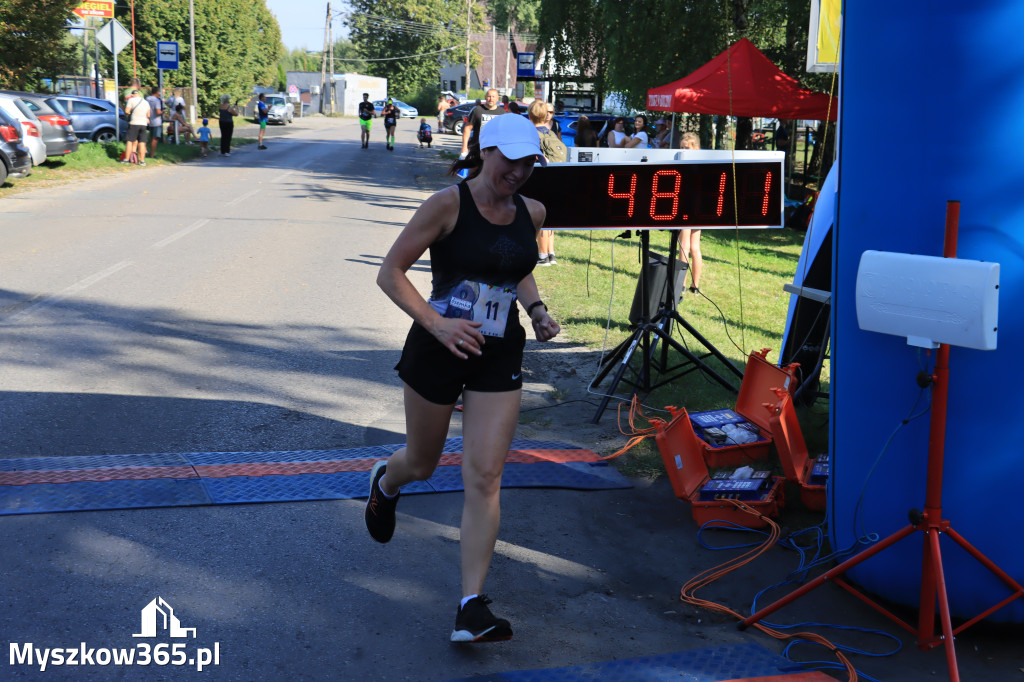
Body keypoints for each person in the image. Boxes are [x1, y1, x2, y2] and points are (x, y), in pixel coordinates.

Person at [368, 113, 560, 644]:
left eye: (529, 164)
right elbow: (390, 272)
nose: (519, 173)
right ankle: (386, 481)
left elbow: (515, 262)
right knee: (423, 463)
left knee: (485, 477)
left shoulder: (533, 211)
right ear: (486, 150)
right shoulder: (447, 204)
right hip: (438, 345)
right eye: (511, 161)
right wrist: (437, 322)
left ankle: (470, 607)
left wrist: (537, 308)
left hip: (498, 352)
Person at [528, 99, 565, 266]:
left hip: (541, 178)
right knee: (549, 217)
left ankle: (542, 255)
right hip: (556, 176)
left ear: (530, 114)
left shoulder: (532, 133)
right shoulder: (549, 132)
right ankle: (550, 253)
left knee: (540, 217)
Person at [677, 132, 704, 294]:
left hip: (690, 205)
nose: (683, 151)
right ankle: (695, 286)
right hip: (699, 206)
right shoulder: (702, 163)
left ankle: (682, 283)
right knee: (694, 246)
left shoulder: (690, 165)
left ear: (697, 148)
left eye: (686, 148)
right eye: (681, 148)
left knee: (686, 246)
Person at [460, 88, 505, 158]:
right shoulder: (477, 110)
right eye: (489, 96)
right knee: (473, 168)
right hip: (477, 148)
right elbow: (468, 128)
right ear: (485, 97)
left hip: (495, 150)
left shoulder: (502, 112)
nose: (491, 99)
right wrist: (464, 146)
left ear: (497, 98)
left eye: (493, 97)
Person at [123, 89, 150, 166]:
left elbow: (127, 111)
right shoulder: (145, 102)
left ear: (132, 95)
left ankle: (126, 159)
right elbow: (148, 115)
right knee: (142, 142)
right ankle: (142, 161)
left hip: (134, 123)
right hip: (143, 124)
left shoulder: (131, 100)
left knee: (129, 141)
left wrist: (130, 112)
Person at [145, 87, 163, 158]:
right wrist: (163, 112)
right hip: (156, 121)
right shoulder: (157, 100)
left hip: (148, 120)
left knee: (150, 137)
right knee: (155, 139)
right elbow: (158, 112)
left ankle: (147, 151)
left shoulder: (147, 99)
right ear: (157, 92)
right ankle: (152, 154)